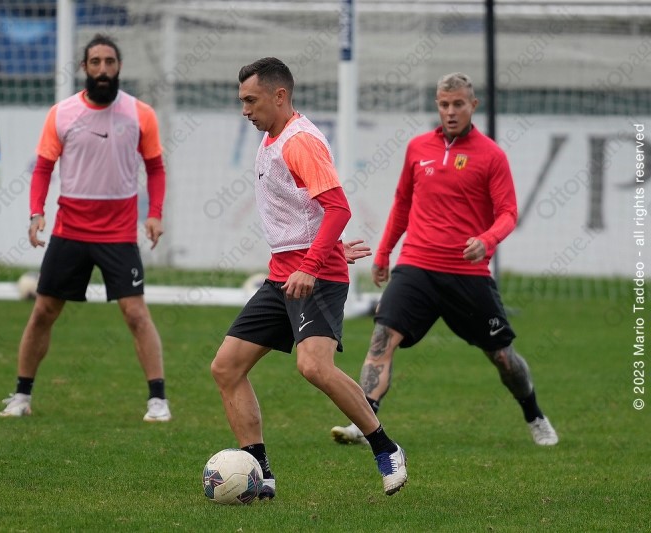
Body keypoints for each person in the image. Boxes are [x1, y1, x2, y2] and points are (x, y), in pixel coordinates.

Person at [210, 57, 407, 500]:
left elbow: (339, 208)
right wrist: (321, 249)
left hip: (313, 277)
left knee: (313, 366)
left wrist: (314, 262)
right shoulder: (271, 137)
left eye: (251, 100)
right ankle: (260, 475)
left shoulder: (299, 142)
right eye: (242, 101)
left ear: (279, 96)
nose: (245, 110)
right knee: (226, 367)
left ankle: (386, 448)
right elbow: (309, 211)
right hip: (284, 272)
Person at [330, 72, 559, 448]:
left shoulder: (492, 155)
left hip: (467, 274)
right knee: (382, 339)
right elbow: (402, 203)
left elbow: (508, 213)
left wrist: (486, 240)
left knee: (503, 357)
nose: (450, 111)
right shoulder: (418, 148)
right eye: (444, 104)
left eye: (458, 104)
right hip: (416, 266)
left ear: (473, 105)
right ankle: (365, 421)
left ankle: (534, 414)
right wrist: (384, 251)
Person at [0, 34, 170, 423]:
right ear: (84, 68)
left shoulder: (141, 113)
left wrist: (155, 213)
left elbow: (156, 168)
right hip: (70, 230)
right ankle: (21, 396)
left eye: (110, 62)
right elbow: (43, 168)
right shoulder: (62, 113)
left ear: (119, 67)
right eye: (96, 62)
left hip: (119, 232)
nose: (103, 69)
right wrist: (36, 212)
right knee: (43, 311)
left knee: (135, 313)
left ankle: (158, 401)